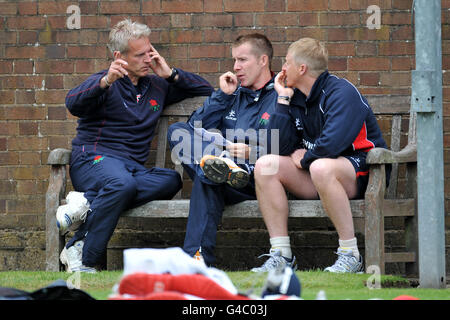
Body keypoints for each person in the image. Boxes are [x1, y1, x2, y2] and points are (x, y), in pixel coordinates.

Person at [57, 19, 214, 273]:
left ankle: (87, 201)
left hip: (129, 171)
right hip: (92, 161)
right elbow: (72, 103)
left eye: (150, 52)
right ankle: (84, 255)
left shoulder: (157, 86)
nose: (147, 59)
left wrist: (170, 73)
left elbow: (206, 90)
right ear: (119, 56)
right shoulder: (104, 83)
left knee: (170, 180)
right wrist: (105, 81)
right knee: (121, 184)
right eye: (140, 55)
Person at [251, 38, 389, 273]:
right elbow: (277, 148)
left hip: (363, 170)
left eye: (286, 62)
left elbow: (332, 144)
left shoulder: (342, 92)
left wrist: (305, 159)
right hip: (318, 174)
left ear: (301, 68)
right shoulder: (293, 96)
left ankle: (350, 255)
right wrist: (282, 99)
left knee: (321, 167)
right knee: (265, 165)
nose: (282, 68)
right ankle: (281, 256)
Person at [167, 34, 301, 267]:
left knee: (207, 176)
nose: (236, 67)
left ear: (262, 60)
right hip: (225, 176)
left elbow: (286, 145)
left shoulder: (282, 94)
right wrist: (222, 95)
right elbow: (193, 127)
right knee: (180, 135)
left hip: (256, 180)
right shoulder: (233, 94)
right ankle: (220, 166)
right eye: (234, 61)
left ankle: (196, 260)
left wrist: (253, 152)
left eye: (242, 60)